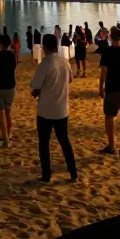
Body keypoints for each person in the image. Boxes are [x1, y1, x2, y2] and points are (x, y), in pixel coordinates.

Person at [30, 34, 77, 183]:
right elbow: (70, 80)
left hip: (45, 111)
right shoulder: (65, 62)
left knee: (44, 143)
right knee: (64, 142)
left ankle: (46, 176)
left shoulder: (44, 65)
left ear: (44, 47)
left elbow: (35, 87)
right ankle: (73, 173)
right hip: (62, 110)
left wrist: (36, 92)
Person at [0, 34, 18, 147]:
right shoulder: (12, 55)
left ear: (0, 44)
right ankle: (8, 135)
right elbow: (14, 67)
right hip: (10, 86)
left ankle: (5, 139)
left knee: (0, 113)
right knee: (8, 112)